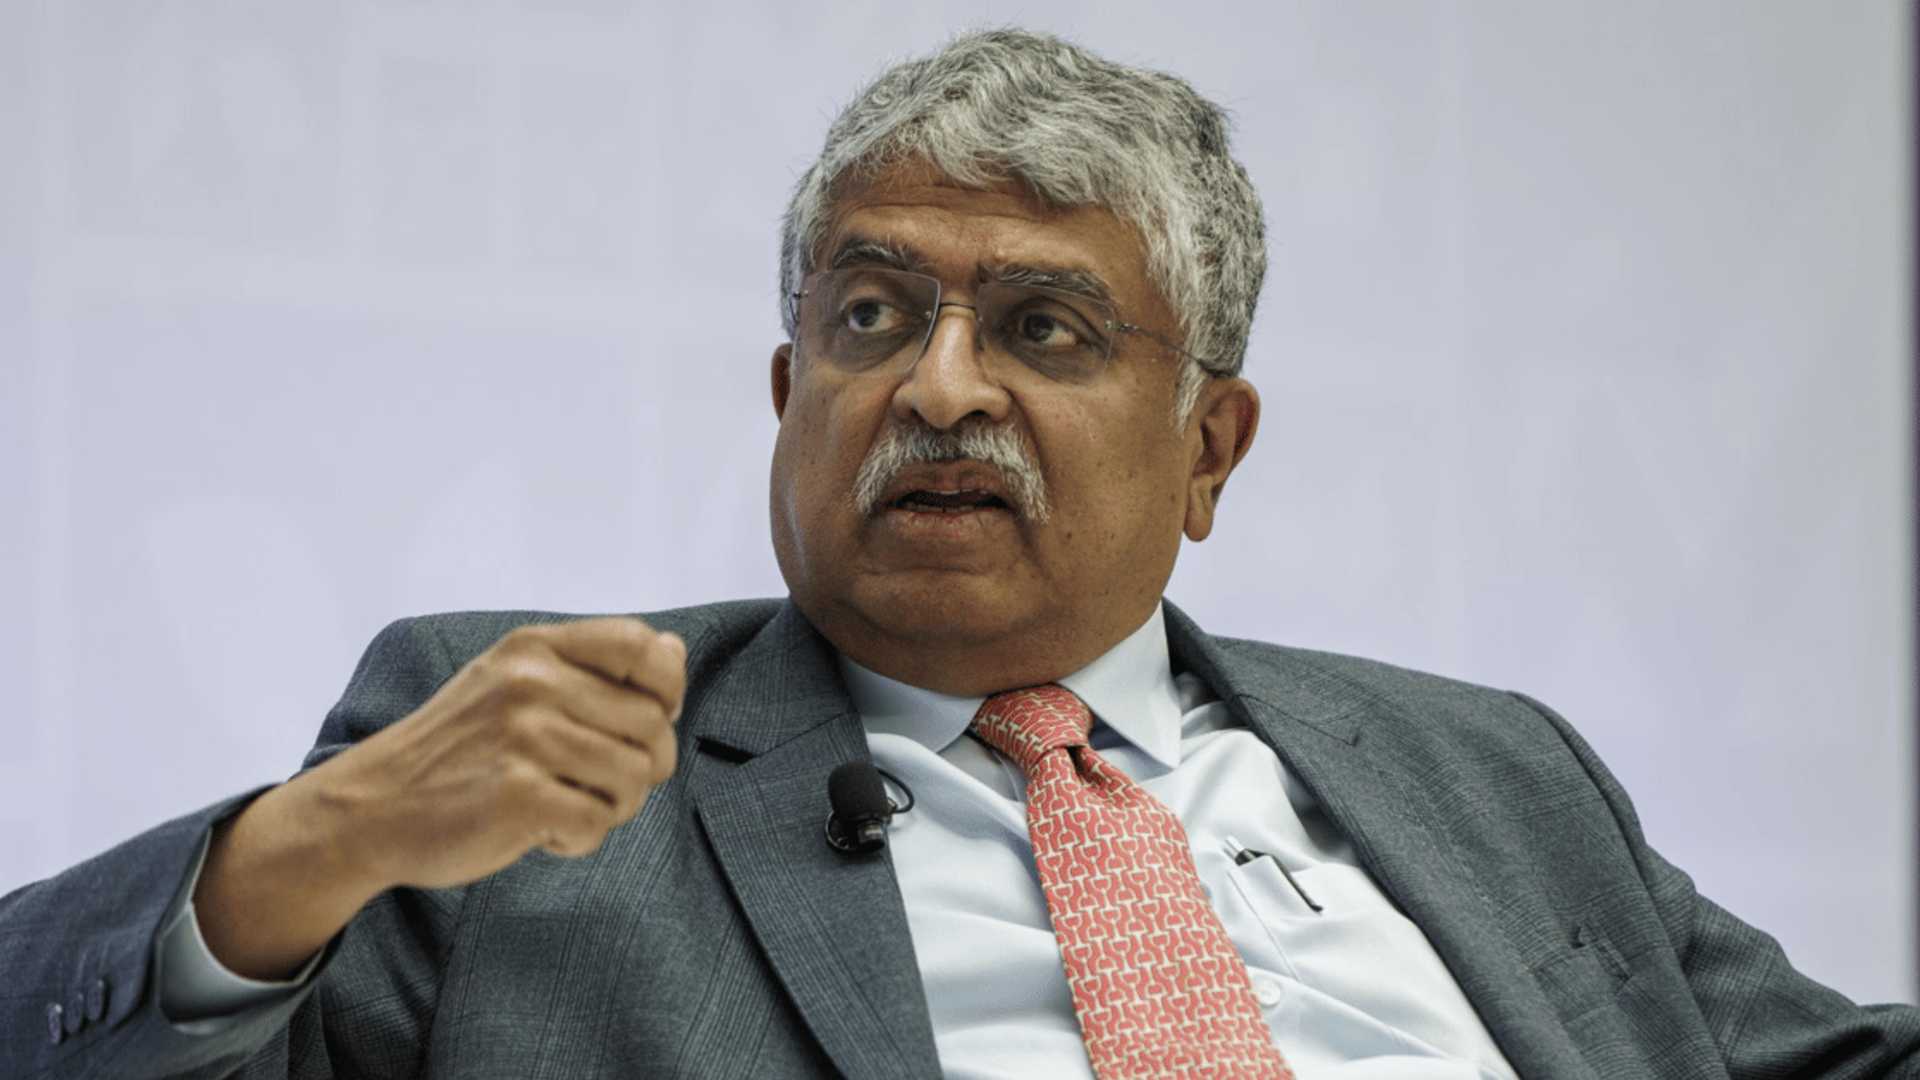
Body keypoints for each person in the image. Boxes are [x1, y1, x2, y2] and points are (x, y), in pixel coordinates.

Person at [5, 27, 1917, 1080]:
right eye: (870, 315)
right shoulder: (520, 755)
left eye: (1044, 329)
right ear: (788, 394)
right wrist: (298, 858)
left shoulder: (1491, 769)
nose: (936, 387)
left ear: (1210, 449)